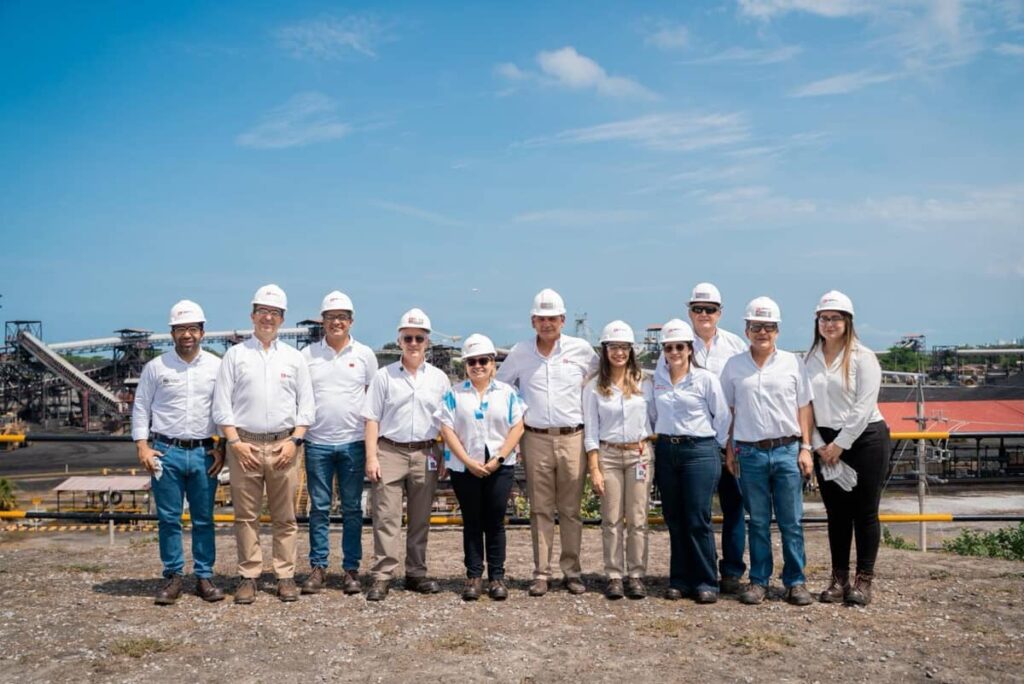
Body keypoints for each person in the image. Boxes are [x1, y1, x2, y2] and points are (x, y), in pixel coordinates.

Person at [213, 284, 315, 604]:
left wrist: (295, 440)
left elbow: (307, 406)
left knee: (286, 517)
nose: (268, 318)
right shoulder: (235, 356)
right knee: (246, 516)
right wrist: (235, 443)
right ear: (252, 315)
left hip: (285, 445)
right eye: (262, 312)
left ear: (282, 319)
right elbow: (221, 405)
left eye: (274, 313)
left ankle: (285, 575)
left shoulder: (293, 358)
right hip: (245, 446)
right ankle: (249, 576)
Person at [496, 288, 599, 596]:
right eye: (541, 319)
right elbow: (501, 388)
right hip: (535, 437)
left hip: (573, 437)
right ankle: (541, 573)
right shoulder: (520, 352)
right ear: (533, 321)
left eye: (552, 318)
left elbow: (600, 382)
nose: (547, 324)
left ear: (562, 320)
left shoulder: (581, 350)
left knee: (570, 509)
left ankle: (572, 571)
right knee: (540, 509)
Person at [722, 296, 815, 607]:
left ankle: (796, 581)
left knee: (792, 522)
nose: (763, 332)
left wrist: (806, 448)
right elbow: (729, 411)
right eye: (756, 326)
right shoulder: (734, 366)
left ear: (778, 330)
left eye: (769, 327)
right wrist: (730, 448)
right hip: (749, 453)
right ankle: (759, 580)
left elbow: (804, 407)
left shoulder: (793, 363)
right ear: (746, 329)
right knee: (758, 521)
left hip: (787, 449)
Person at [132, 299, 224, 605]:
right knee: (169, 518)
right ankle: (173, 576)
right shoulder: (156, 367)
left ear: (202, 332)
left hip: (204, 451)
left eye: (193, 328)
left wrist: (222, 447)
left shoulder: (216, 367)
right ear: (172, 333)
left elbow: (225, 409)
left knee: (204, 518)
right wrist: (143, 446)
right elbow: (141, 407)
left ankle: (204, 576)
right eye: (181, 329)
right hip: (165, 451)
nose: (187, 334)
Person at [805, 290, 890, 606]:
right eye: (824, 318)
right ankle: (838, 579)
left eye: (835, 318)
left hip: (864, 439)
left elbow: (864, 406)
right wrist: (818, 444)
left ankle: (863, 580)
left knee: (865, 512)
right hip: (826, 441)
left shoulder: (863, 357)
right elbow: (805, 405)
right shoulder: (809, 359)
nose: (829, 324)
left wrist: (840, 444)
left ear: (848, 321)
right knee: (836, 514)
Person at [362, 308, 451, 601]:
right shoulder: (384, 376)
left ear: (427, 342)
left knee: (420, 517)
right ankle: (382, 575)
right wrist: (371, 457)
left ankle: (416, 573)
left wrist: (445, 454)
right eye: (408, 338)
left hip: (426, 451)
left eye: (419, 338)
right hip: (389, 450)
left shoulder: (439, 379)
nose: (413, 343)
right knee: (386, 517)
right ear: (399, 340)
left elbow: (447, 421)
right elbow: (371, 418)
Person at [300, 291, 379, 596]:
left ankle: (350, 569)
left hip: (353, 442)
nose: (337, 322)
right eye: (331, 317)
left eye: (342, 317)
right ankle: (318, 567)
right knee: (318, 508)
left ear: (351, 321)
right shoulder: (307, 356)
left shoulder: (365, 355)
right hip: (317, 442)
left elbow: (373, 400)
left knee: (352, 509)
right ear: (322, 321)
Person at [647, 319, 730, 603]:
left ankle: (706, 581)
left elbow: (722, 417)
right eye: (669, 348)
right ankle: (679, 580)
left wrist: (715, 447)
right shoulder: (657, 380)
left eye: (679, 347)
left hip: (699, 450)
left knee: (697, 518)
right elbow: (652, 415)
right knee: (674, 518)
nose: (674, 352)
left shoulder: (705, 379)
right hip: (667, 449)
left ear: (690, 349)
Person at [439, 334, 525, 601]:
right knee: (472, 521)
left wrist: (499, 458)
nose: (478, 366)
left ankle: (497, 577)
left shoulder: (507, 393)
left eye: (483, 361)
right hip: (465, 466)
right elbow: (447, 429)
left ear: (492, 363)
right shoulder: (454, 394)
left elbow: (517, 426)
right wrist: (467, 461)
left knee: (495, 522)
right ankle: (474, 576)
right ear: (465, 365)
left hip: (500, 465)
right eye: (472, 361)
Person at [583, 321, 654, 600]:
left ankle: (636, 574)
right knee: (611, 519)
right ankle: (614, 574)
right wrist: (594, 468)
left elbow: (655, 418)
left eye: (624, 347)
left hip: (639, 455)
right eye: (613, 347)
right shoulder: (593, 387)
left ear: (631, 350)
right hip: (609, 455)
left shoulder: (644, 382)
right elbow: (591, 431)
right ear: (604, 350)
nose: (619, 352)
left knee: (638, 518)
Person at [686, 282, 748, 595]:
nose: (704, 314)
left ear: (720, 313)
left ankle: (733, 571)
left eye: (709, 309)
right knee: (697, 510)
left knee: (734, 507)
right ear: (689, 312)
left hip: (731, 440)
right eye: (698, 309)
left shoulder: (735, 346)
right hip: (696, 441)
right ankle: (703, 570)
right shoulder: (679, 345)